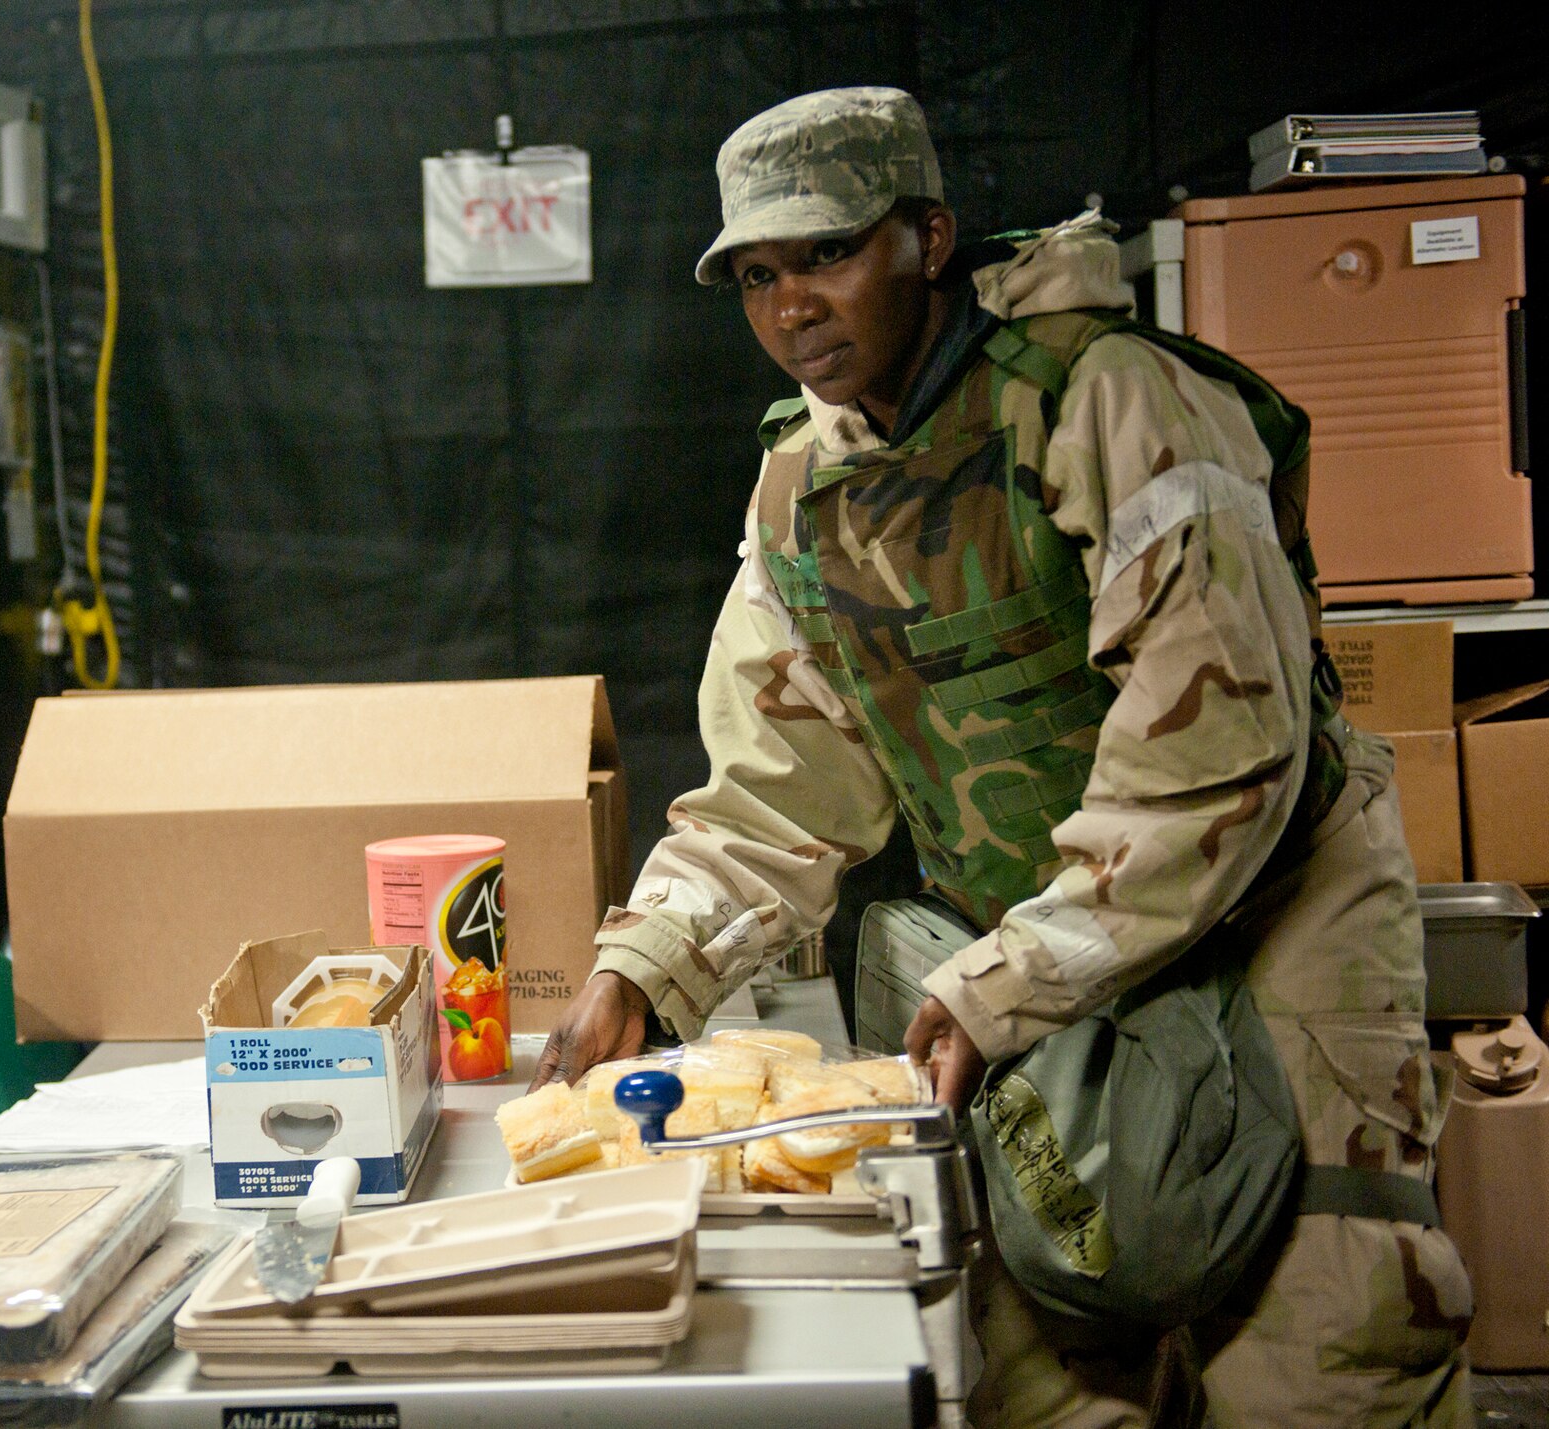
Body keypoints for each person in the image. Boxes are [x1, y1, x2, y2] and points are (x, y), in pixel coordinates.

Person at [531, 87, 1473, 1427]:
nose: (789, 302)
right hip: (1025, 945)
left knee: (1318, 1351)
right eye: (755, 274)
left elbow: (1221, 756)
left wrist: (1008, 979)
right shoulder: (802, 489)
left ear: (927, 237)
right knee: (1047, 1361)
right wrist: (649, 960)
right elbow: (775, 789)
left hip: (1270, 921)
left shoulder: (1112, 403)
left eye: (826, 255)